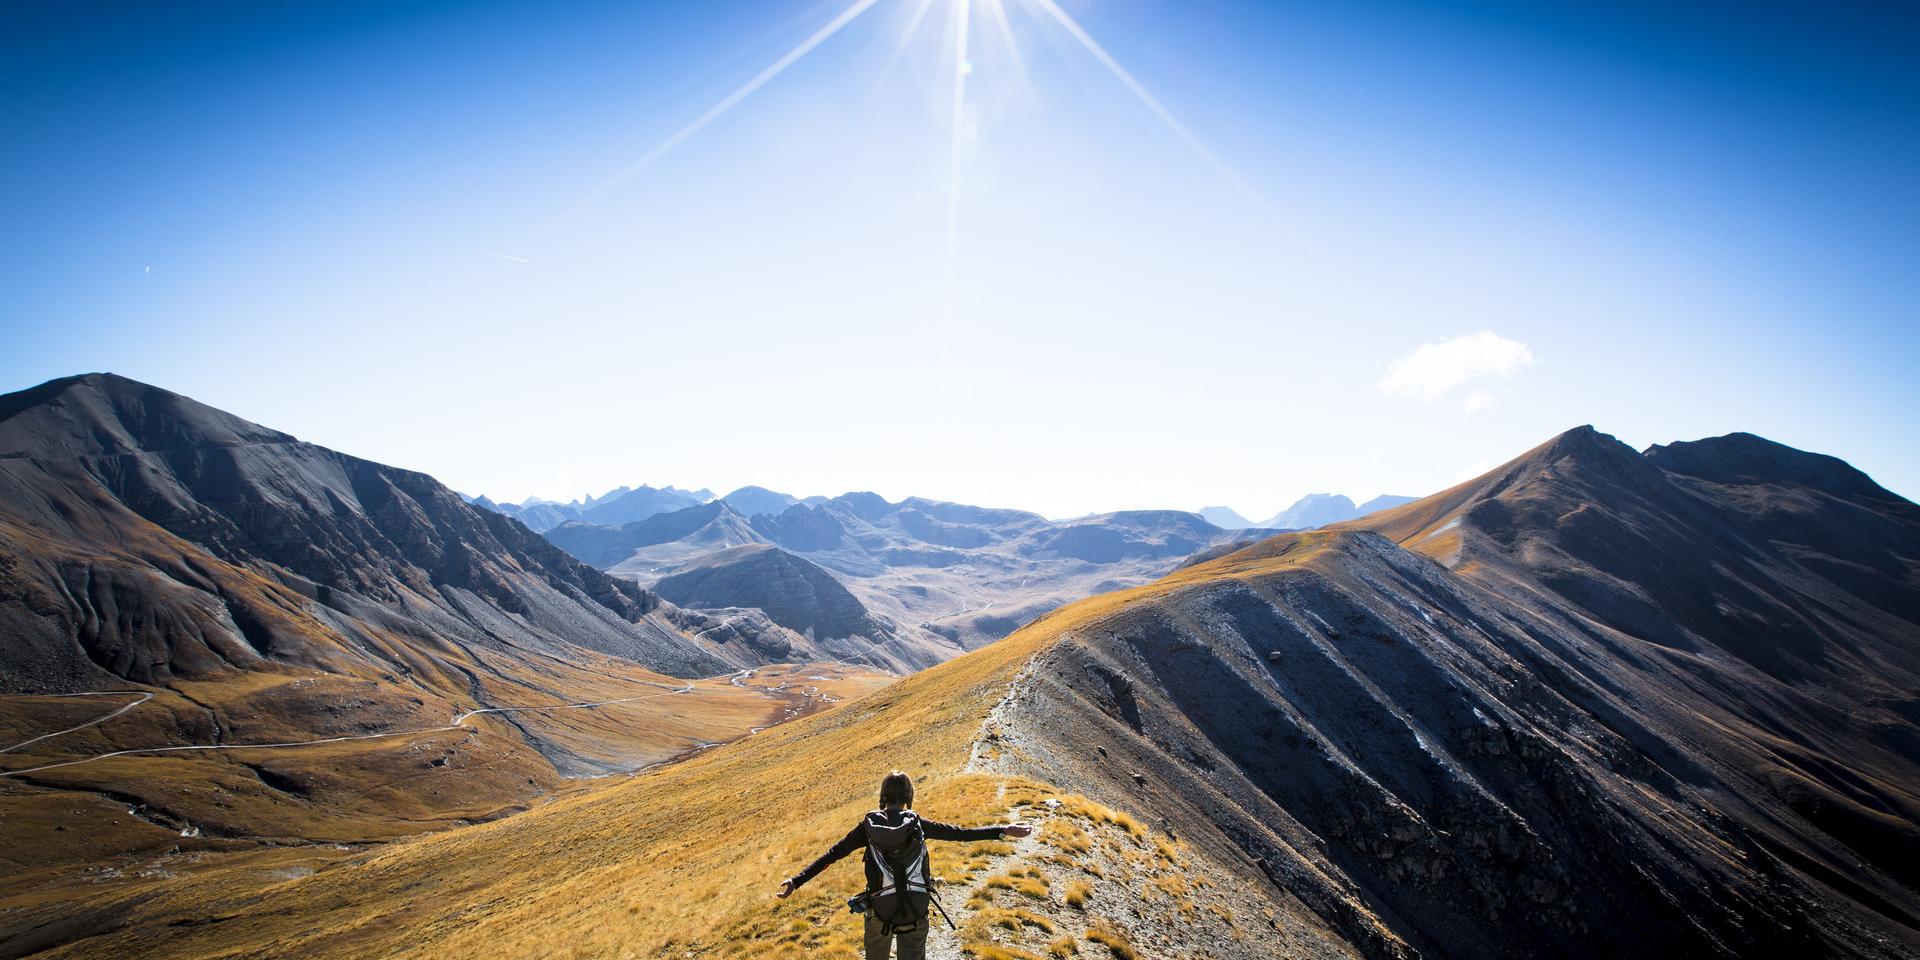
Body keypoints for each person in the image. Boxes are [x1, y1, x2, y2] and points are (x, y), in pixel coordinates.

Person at [777, 771, 1033, 960]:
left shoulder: (867, 827)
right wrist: (1002, 830)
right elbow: (961, 833)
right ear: (908, 796)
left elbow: (832, 855)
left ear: (883, 796)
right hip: (915, 908)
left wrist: (796, 881)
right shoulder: (917, 824)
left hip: (879, 910)